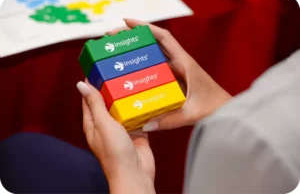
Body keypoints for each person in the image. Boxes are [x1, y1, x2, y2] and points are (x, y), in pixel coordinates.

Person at [1, 18, 300, 194]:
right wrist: (223, 104)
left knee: (25, 159)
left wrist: (130, 180)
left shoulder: (253, 143)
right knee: (28, 153)